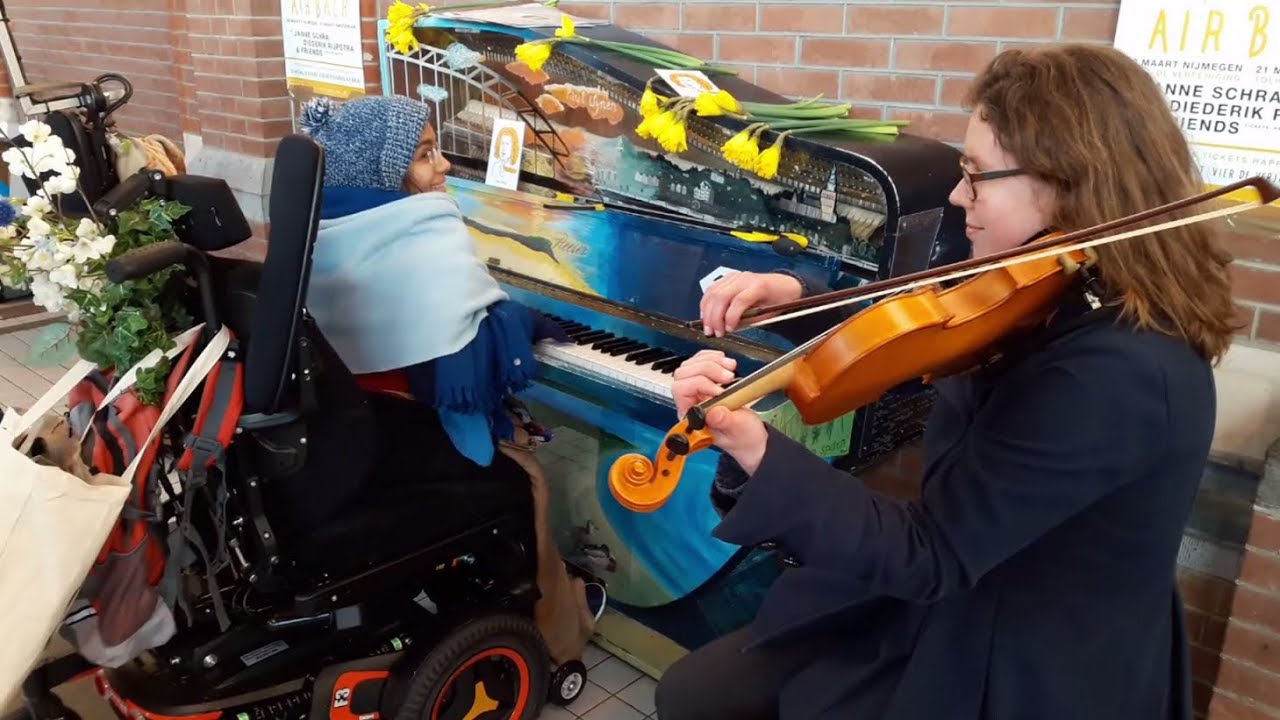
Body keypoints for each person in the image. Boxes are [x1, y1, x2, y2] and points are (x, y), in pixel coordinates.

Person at [655, 43, 1240, 720]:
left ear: (1070, 183)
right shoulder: (1055, 279)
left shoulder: (1120, 371)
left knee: (711, 699)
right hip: (962, 585)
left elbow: (931, 552)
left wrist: (756, 448)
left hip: (1022, 655)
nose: (959, 196)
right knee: (697, 692)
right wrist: (792, 297)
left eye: (977, 174)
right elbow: (931, 326)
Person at [298, 94, 602, 664]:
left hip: (353, 440)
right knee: (528, 475)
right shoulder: (418, 235)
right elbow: (475, 347)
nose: (444, 168)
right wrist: (521, 318)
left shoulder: (327, 227)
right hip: (405, 440)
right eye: (424, 154)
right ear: (384, 173)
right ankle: (553, 638)